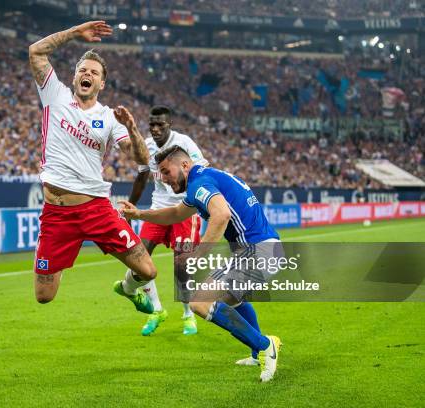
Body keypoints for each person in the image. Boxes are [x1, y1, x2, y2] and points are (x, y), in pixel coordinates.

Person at [121, 146, 283, 382]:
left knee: (199, 302)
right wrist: (140, 215)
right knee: (233, 300)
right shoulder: (205, 179)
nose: (164, 179)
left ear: (185, 165)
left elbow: (222, 215)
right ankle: (257, 352)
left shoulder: (199, 184)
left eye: (167, 172)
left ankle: (267, 345)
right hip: (266, 250)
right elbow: (176, 214)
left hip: (259, 252)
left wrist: (199, 254)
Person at [28, 20, 158, 314]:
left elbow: (139, 159)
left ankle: (128, 290)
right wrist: (74, 34)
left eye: (94, 73)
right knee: (43, 296)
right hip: (57, 214)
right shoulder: (54, 96)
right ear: (74, 78)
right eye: (82, 70)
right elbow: (36, 52)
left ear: (102, 84)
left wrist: (134, 129)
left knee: (148, 271)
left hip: (96, 208)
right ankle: (55, 256)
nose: (87, 74)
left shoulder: (110, 117)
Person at [126, 105, 208, 336]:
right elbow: (141, 177)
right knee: (139, 261)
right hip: (158, 208)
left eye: (159, 124)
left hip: (183, 209)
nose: (154, 129)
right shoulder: (147, 145)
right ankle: (157, 309)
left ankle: (188, 314)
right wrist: (131, 208)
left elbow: (203, 170)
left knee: (182, 267)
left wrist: (201, 202)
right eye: (151, 124)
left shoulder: (185, 143)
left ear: (169, 125)